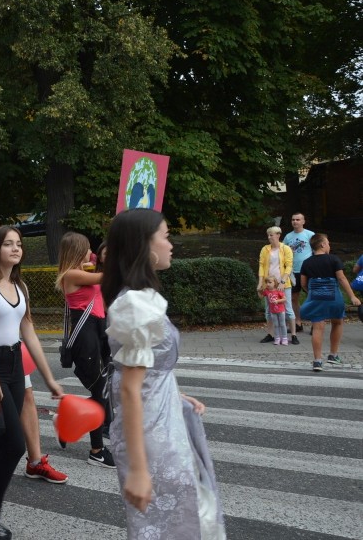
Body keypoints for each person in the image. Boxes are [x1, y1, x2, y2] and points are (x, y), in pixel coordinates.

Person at [101, 208, 226, 539]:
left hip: (162, 417)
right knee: (168, 523)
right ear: (145, 245)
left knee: (186, 515)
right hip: (150, 433)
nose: (172, 245)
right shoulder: (136, 305)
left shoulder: (141, 299)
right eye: (167, 237)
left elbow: (148, 370)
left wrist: (175, 393)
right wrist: (140, 471)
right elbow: (128, 389)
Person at [0, 225, 64, 539]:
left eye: (18, 244)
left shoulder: (21, 286)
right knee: (15, 444)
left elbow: (29, 333)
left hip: (14, 363)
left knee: (1, 441)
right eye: (8, 244)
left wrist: (49, 378)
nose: (15, 248)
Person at [55, 232, 115, 468]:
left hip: (98, 332)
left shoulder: (84, 270)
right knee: (99, 393)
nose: (91, 252)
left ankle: (68, 420)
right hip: (85, 335)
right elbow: (106, 276)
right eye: (87, 248)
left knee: (102, 392)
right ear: (77, 250)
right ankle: (96, 450)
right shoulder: (71, 275)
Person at [299, 234, 360, 370]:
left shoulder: (307, 262)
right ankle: (333, 355)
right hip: (333, 296)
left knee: (318, 327)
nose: (329, 245)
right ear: (322, 245)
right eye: (328, 243)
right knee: (337, 322)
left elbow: (303, 283)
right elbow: (342, 279)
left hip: (316, 296)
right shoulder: (334, 259)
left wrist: (311, 292)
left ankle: (317, 361)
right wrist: (352, 296)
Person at [257, 226, 297, 344]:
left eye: (271, 235)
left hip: (283, 283)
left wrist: (283, 281)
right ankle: (271, 334)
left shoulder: (286, 249)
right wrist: (260, 282)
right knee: (269, 310)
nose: (269, 237)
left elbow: (289, 266)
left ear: (278, 235)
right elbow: (261, 265)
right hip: (269, 284)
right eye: (268, 235)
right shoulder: (265, 249)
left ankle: (293, 335)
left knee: (288, 309)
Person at [283, 212, 315, 332]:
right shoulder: (288, 237)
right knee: (293, 298)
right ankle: (298, 322)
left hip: (308, 271)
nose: (295, 222)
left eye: (298, 219)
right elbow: (284, 253)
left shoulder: (310, 235)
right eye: (293, 220)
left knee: (312, 296)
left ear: (303, 221)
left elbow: (317, 250)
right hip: (293, 271)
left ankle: (314, 324)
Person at [261, 276, 288, 345]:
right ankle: (277, 338)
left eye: (270, 282)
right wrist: (258, 290)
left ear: (275, 283)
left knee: (282, 324)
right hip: (273, 311)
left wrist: (278, 301)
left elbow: (284, 299)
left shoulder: (278, 290)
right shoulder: (266, 291)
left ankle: (284, 338)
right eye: (267, 282)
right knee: (275, 325)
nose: (268, 284)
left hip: (281, 311)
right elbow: (261, 296)